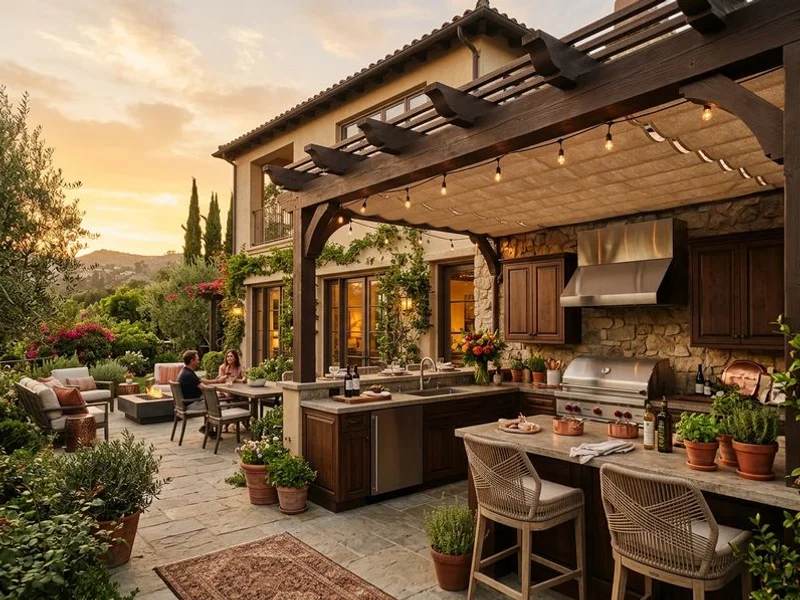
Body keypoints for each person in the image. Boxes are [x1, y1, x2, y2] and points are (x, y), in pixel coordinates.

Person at [178, 349, 219, 436]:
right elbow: (205, 389)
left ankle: (209, 428)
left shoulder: (185, 371)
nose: (199, 361)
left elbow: (201, 381)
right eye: (197, 359)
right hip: (192, 404)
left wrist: (217, 380)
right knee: (217, 406)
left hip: (187, 402)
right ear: (192, 361)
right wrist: (216, 390)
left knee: (216, 401)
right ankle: (208, 428)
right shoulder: (189, 375)